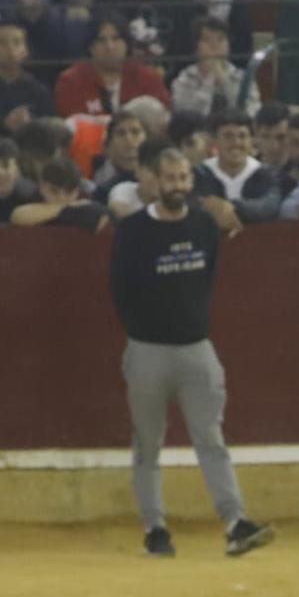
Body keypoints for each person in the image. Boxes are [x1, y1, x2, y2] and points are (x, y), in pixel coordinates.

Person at [109, 141, 273, 558]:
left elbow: (208, 280)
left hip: (197, 347)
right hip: (148, 348)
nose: (178, 185)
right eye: (170, 178)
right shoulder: (132, 230)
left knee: (211, 438)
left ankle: (236, 522)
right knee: (148, 443)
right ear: (152, 181)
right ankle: (155, 528)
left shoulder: (203, 225)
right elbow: (120, 291)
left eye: (184, 178)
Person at [54, 14, 167, 116]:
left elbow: (161, 118)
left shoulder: (148, 78)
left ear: (126, 44)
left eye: (116, 38)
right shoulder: (71, 81)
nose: (110, 46)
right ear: (90, 47)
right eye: (101, 40)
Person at [193, 107, 276, 221]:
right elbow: (193, 205)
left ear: (251, 140)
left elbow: (269, 207)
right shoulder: (199, 173)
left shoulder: (267, 174)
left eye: (242, 136)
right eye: (228, 136)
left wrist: (229, 207)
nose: (236, 143)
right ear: (215, 140)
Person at [0, 18, 55, 130]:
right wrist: (3, 124)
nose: (10, 49)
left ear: (26, 51)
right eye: (2, 43)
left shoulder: (38, 91)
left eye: (17, 42)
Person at [170, 14, 254, 119]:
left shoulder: (243, 78)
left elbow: (250, 112)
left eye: (221, 39)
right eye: (206, 40)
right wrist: (209, 81)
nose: (214, 45)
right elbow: (188, 117)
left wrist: (225, 83)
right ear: (196, 48)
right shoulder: (185, 79)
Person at [9, 152, 108, 228]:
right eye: (54, 191)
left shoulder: (87, 202)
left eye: (69, 192)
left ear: (77, 190)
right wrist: (67, 208)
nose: (62, 197)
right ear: (42, 186)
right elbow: (18, 216)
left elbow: (105, 219)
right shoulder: (29, 197)